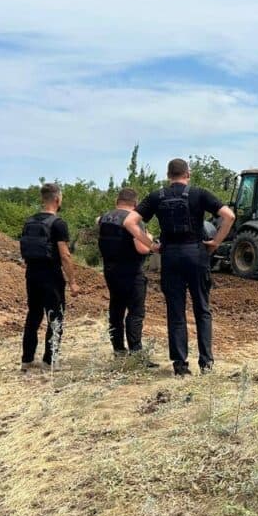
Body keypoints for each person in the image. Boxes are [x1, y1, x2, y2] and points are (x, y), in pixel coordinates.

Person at [137, 158, 235, 376]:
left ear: (168, 175)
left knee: (176, 312)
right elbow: (229, 216)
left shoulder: (156, 196)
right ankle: (206, 364)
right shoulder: (199, 194)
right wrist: (217, 242)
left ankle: (180, 367)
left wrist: (151, 245)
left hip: (170, 256)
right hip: (196, 254)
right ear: (187, 174)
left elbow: (130, 222)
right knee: (202, 308)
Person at [19, 182, 79, 372]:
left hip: (31, 274)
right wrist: (73, 282)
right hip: (51, 275)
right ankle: (49, 361)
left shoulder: (29, 221)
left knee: (33, 316)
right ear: (57, 199)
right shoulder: (58, 224)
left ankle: (27, 360)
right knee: (55, 318)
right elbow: (65, 255)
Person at [97, 187, 158, 365]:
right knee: (135, 313)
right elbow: (142, 248)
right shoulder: (134, 221)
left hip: (110, 271)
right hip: (131, 273)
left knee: (116, 310)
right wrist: (149, 237)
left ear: (118, 201)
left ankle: (118, 350)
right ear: (135, 203)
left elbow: (98, 221)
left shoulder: (105, 218)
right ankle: (136, 354)